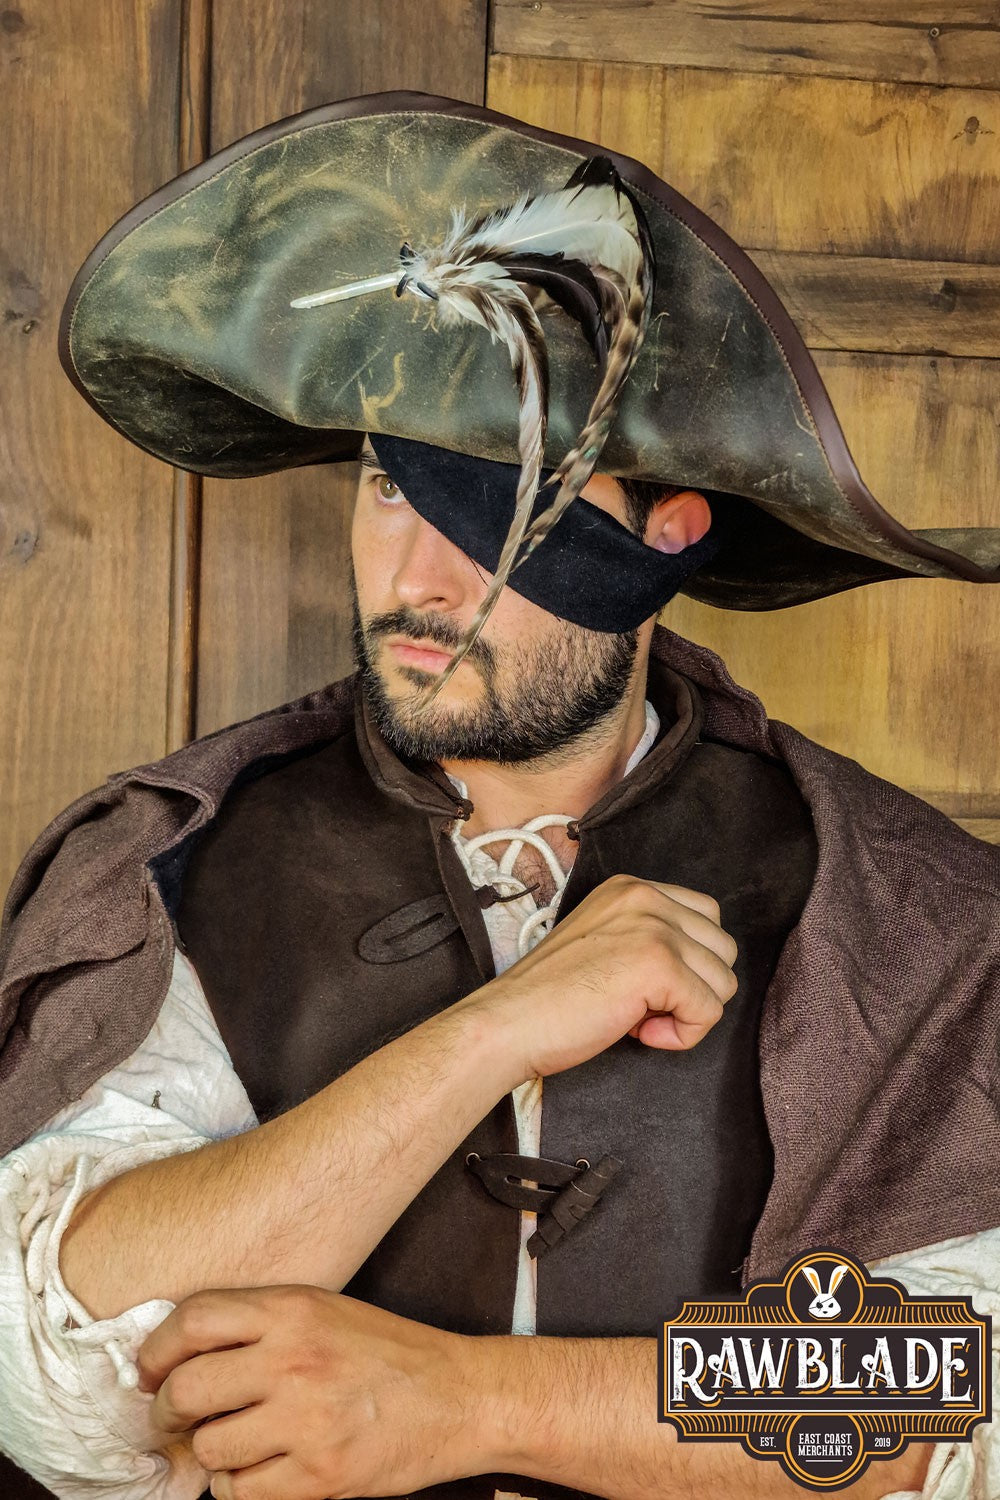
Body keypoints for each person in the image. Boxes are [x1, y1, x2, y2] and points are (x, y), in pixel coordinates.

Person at [0, 93, 997, 1500]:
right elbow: (56, 1369)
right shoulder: (179, 859)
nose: (418, 581)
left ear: (672, 535)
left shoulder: (892, 906)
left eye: (498, 513)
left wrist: (472, 1404)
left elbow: (952, 1390)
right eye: (388, 488)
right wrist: (495, 1034)